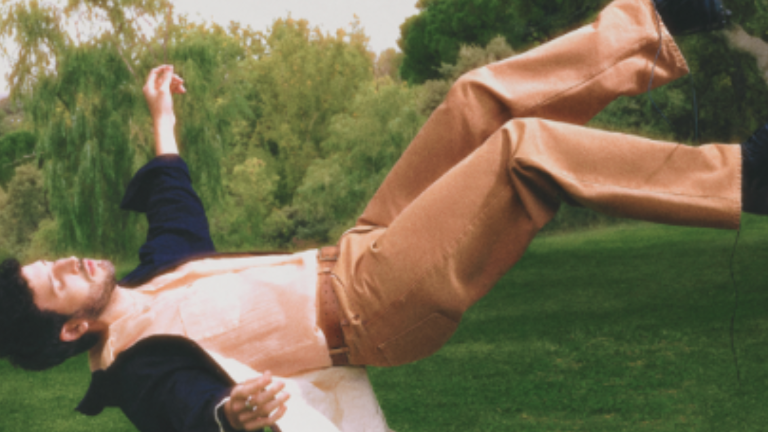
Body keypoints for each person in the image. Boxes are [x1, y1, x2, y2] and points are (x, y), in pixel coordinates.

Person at [0, 0, 755, 430]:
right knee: (521, 150)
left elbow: (172, 198)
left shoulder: (155, 274)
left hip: (361, 248)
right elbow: (186, 409)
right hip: (374, 307)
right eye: (56, 281)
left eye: (51, 259)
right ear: (70, 329)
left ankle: (654, 22)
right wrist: (233, 413)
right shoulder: (134, 370)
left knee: (474, 100)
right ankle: (747, 178)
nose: (67, 260)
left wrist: (161, 115)